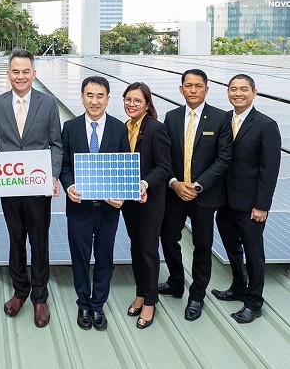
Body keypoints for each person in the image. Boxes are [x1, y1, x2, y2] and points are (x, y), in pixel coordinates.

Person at [0, 48, 62, 328]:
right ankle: (20, 291)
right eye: (15, 71)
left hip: (38, 187)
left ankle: (40, 298)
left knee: (39, 242)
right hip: (10, 185)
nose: (20, 76)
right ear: (8, 74)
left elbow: (56, 144)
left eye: (25, 71)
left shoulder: (48, 103)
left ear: (34, 73)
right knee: (15, 240)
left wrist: (53, 175)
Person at [159, 69, 232, 321]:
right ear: (181, 89)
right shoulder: (171, 117)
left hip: (205, 196)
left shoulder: (221, 118)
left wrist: (197, 186)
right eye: (188, 85)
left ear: (206, 89)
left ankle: (197, 296)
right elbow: (164, 156)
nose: (193, 90)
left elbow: (223, 159)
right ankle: (175, 282)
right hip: (175, 193)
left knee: (202, 246)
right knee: (168, 238)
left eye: (198, 86)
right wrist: (173, 183)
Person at [59, 76, 129, 331]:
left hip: (108, 209)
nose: (95, 101)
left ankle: (98, 305)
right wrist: (69, 186)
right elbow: (64, 164)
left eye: (100, 96)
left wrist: (121, 194)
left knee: (104, 257)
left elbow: (124, 165)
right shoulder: (70, 127)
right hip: (79, 207)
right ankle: (83, 304)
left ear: (108, 99)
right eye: (90, 95)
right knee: (79, 258)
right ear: (82, 98)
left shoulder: (119, 128)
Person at [212, 74, 281, 323]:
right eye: (233, 89)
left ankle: (254, 303)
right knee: (232, 248)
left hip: (250, 204)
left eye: (243, 89)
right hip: (224, 201)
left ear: (254, 92)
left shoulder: (266, 125)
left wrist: (262, 205)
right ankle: (238, 287)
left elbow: (269, 169)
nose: (238, 93)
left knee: (253, 254)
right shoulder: (222, 120)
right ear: (228, 92)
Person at [119, 83, 171, 329]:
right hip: (130, 201)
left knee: (149, 249)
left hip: (150, 200)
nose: (131, 104)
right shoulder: (125, 127)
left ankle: (150, 301)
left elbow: (164, 167)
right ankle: (140, 292)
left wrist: (144, 184)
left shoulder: (156, 129)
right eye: (128, 100)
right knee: (136, 246)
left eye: (137, 101)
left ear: (147, 104)